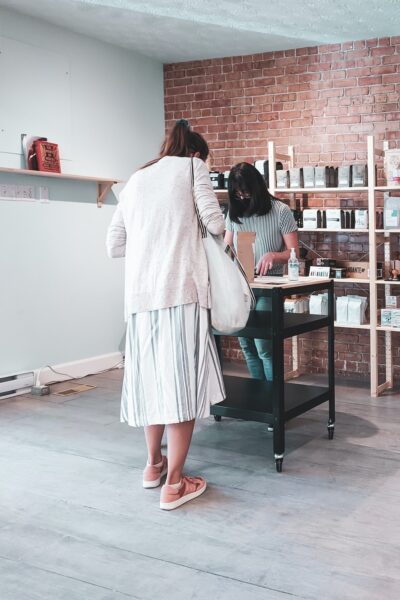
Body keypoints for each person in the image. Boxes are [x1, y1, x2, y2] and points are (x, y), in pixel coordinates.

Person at [106, 119, 225, 510]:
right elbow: (215, 223)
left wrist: (152, 242)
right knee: (182, 389)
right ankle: (174, 485)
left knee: (152, 384)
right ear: (195, 153)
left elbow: (114, 245)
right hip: (180, 291)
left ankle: (153, 465)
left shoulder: (137, 178)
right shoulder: (194, 168)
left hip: (140, 299)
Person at [224, 162, 299, 380]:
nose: (242, 197)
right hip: (240, 287)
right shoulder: (234, 213)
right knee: (247, 346)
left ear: (257, 187)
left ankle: (273, 401)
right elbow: (226, 248)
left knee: (265, 348)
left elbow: (295, 253)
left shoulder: (281, 211)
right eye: (237, 194)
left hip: (269, 288)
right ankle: (259, 398)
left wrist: (274, 255)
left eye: (245, 191)